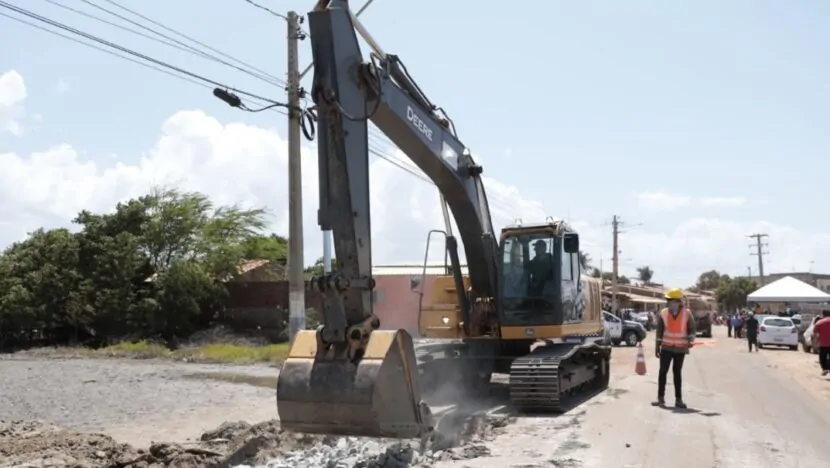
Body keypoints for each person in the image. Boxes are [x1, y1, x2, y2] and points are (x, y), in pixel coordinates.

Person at [653, 288, 696, 409]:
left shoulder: (687, 314)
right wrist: (657, 347)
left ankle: (678, 400)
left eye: (670, 300)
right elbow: (659, 332)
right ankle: (660, 398)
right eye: (668, 300)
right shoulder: (663, 313)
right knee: (662, 372)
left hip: (680, 349)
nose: (668, 303)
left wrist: (691, 339)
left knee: (677, 373)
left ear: (677, 302)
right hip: (666, 347)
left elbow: (692, 329)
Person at [812, 310, 830, 376]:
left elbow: (815, 334)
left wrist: (815, 343)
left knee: (822, 357)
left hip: (823, 344)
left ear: (823, 314)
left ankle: (825, 368)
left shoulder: (820, 322)